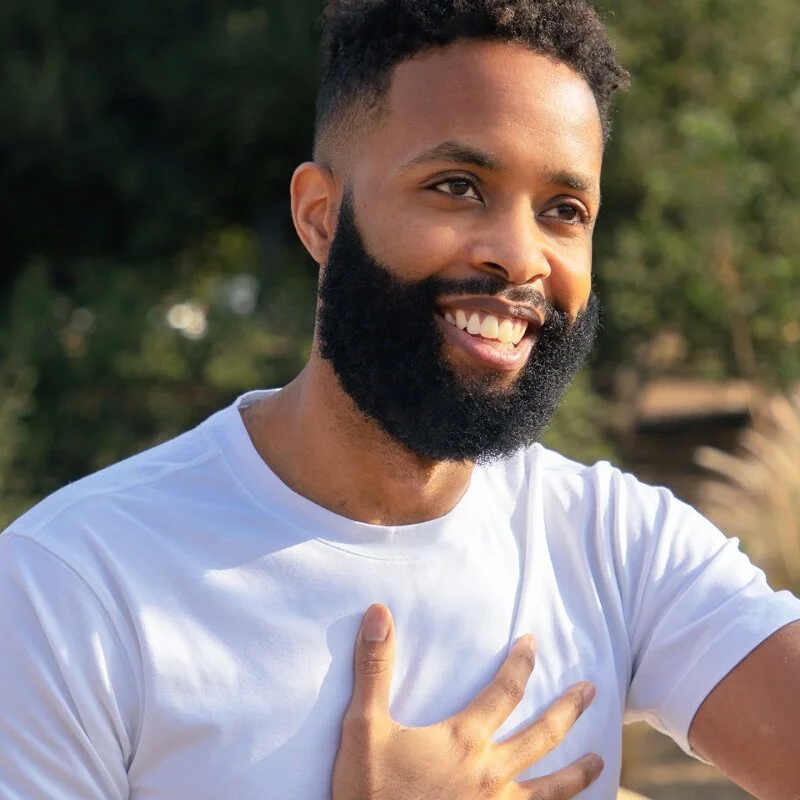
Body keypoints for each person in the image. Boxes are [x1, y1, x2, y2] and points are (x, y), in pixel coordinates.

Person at [1, 0, 799, 798]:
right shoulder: (69, 588)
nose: (520, 256)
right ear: (320, 217)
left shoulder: (615, 547)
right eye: (458, 187)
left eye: (564, 211)